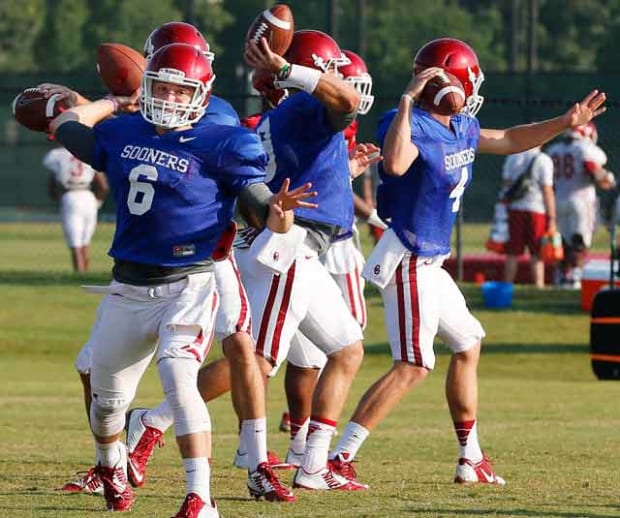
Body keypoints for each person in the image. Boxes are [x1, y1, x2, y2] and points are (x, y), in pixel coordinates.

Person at [49, 42, 314, 516]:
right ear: (145, 86)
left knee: (179, 376)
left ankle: (200, 498)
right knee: (108, 405)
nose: (169, 98)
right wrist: (114, 102)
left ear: (202, 93)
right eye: (160, 87)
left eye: (180, 90)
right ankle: (111, 464)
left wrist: (278, 216)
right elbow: (67, 126)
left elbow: (257, 203)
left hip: (190, 282)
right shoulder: (124, 131)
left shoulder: (223, 140)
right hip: (128, 287)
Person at [327, 37, 606, 487]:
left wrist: (564, 122)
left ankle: (470, 457)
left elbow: (511, 138)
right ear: (445, 83)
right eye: (467, 79)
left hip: (431, 263)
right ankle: (339, 457)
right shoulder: (407, 122)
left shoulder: (459, 127)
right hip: (409, 259)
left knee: (468, 342)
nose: (473, 88)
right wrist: (405, 99)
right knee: (413, 365)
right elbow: (395, 164)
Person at [236, 29, 370, 491]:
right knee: (260, 360)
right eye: (329, 67)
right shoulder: (302, 106)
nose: (335, 76)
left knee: (348, 351)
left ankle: (313, 465)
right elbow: (348, 102)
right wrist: (292, 71)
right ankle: (156, 422)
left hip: (307, 249)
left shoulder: (287, 114)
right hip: (293, 248)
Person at [545, 122, 615, 288]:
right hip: (581, 201)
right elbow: (592, 169)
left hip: (559, 200)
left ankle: (562, 277)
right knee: (580, 242)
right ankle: (575, 276)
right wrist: (608, 179)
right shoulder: (584, 149)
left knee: (563, 241)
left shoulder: (554, 150)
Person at [44, 142, 108, 272]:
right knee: (85, 242)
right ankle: (85, 273)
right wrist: (98, 201)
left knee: (75, 243)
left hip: (71, 195)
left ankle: (79, 275)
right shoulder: (90, 151)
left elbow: (51, 183)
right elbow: (103, 186)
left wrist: (57, 198)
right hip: (88, 196)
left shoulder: (56, 155)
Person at [501, 147, 556, 288]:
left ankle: (507, 285)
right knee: (536, 252)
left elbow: (507, 184)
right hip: (536, 208)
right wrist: (552, 217)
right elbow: (547, 190)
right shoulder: (543, 159)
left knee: (512, 252)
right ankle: (539, 285)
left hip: (515, 208)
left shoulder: (512, 157)